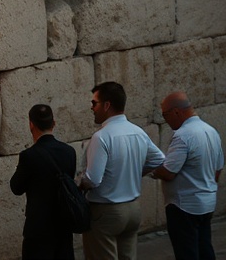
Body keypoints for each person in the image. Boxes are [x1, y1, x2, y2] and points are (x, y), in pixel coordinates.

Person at [80, 82, 165, 260]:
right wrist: (134, 173)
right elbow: (159, 159)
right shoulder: (138, 132)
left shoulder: (101, 137)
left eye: (94, 103)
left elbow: (93, 180)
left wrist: (79, 182)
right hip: (132, 209)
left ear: (107, 105)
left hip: (106, 211)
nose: (92, 108)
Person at [150, 91, 224, 260]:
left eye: (165, 115)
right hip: (206, 203)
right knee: (205, 248)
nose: (166, 120)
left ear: (176, 112)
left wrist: (151, 170)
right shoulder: (211, 131)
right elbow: (218, 168)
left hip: (184, 206)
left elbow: (169, 172)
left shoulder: (183, 136)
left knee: (187, 252)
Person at [10, 104, 77, 260]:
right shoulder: (69, 152)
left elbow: (16, 187)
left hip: (38, 228)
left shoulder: (28, 156)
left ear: (31, 125)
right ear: (53, 123)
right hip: (63, 225)